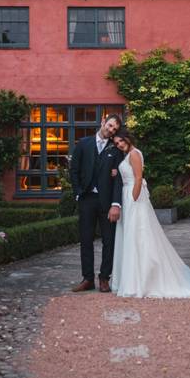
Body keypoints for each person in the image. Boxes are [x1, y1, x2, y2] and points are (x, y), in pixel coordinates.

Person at [110, 128, 190, 298]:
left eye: (121, 141)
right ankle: (134, 278)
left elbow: (138, 178)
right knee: (133, 237)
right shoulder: (127, 155)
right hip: (129, 195)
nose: (120, 144)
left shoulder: (135, 154)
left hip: (133, 197)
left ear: (127, 138)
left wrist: (133, 199)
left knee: (139, 235)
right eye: (117, 143)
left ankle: (142, 280)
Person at [68, 113, 124, 293]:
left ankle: (104, 278)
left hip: (107, 202)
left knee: (109, 240)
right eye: (109, 126)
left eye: (114, 129)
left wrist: (116, 203)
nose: (111, 130)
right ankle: (88, 278)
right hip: (87, 199)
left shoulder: (115, 150)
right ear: (103, 122)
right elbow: (74, 170)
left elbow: (119, 179)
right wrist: (77, 193)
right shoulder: (83, 143)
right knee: (86, 239)